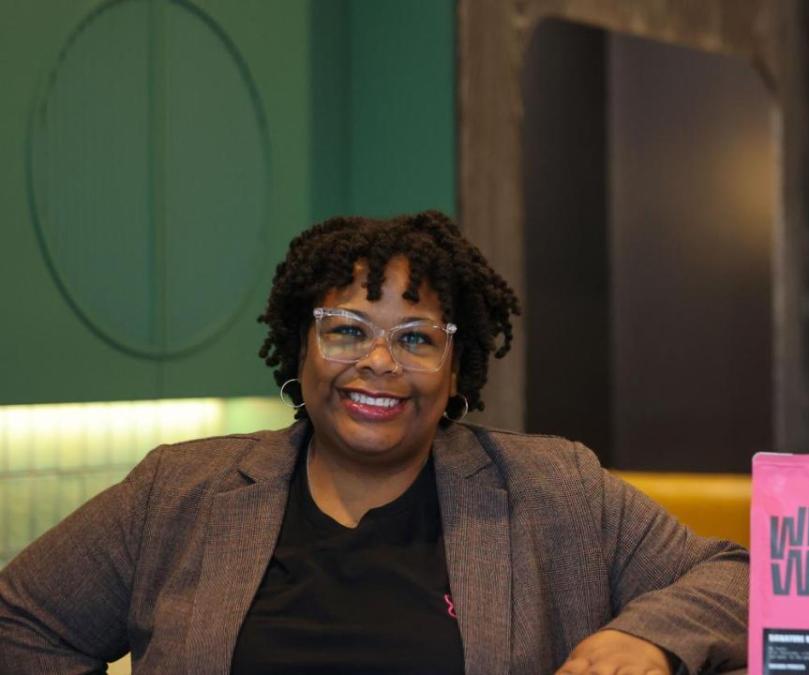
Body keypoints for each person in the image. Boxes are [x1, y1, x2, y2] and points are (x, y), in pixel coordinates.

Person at [0, 211, 748, 674]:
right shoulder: (179, 490)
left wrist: (651, 639)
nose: (380, 362)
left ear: (457, 368)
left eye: (416, 337)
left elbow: (743, 577)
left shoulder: (555, 488)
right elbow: (22, 619)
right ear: (302, 348)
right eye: (348, 330)